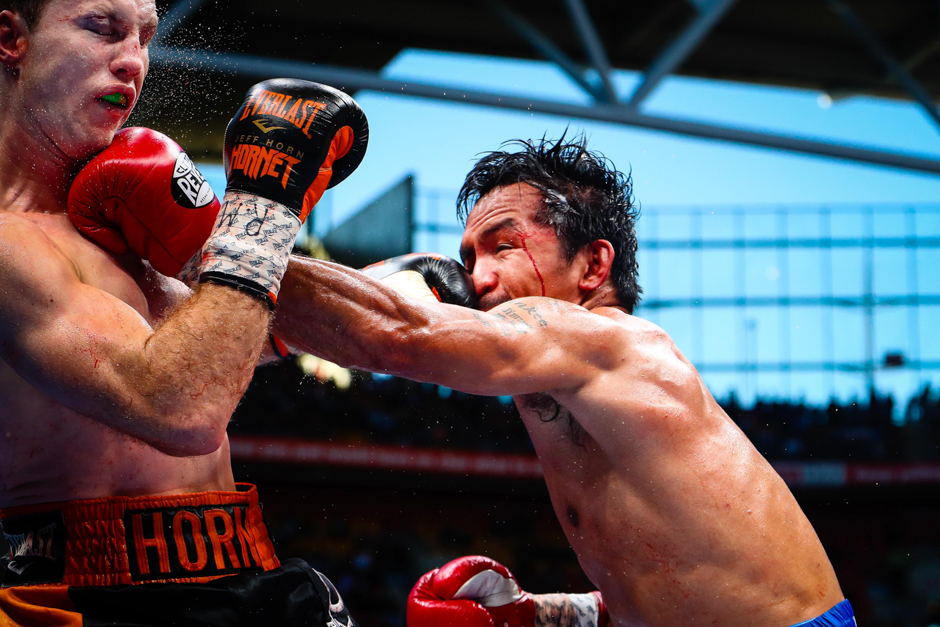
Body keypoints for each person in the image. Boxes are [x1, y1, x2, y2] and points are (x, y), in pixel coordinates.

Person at [265, 136, 854, 627]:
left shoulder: (605, 340)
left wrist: (239, 242)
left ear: (594, 266)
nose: (478, 279)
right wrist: (530, 614)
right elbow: (661, 591)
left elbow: (395, 336)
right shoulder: (568, 384)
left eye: (503, 247)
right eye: (468, 259)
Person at [0, 0, 367, 625]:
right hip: (91, 596)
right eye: (103, 30)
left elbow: (225, 334)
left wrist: (384, 289)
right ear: (11, 39)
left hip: (244, 564)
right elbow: (180, 405)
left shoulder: (121, 199)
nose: (132, 62)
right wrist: (266, 204)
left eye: (144, 37)